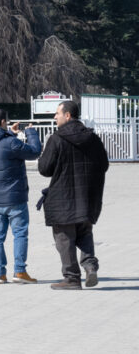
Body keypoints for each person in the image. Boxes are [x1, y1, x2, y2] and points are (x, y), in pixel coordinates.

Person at [38, 99, 109, 290]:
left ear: (67, 115)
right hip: (87, 197)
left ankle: (71, 278)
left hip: (63, 199)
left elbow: (44, 169)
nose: (55, 117)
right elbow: (104, 165)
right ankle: (90, 266)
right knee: (84, 233)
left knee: (64, 238)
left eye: (57, 113)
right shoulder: (92, 138)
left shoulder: (57, 138)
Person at [0, 107, 42, 284]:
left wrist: (10, 134)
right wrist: (31, 132)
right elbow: (34, 151)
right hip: (14, 197)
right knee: (20, 233)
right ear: (3, 122)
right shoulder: (10, 143)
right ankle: (19, 271)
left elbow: (1, 147)